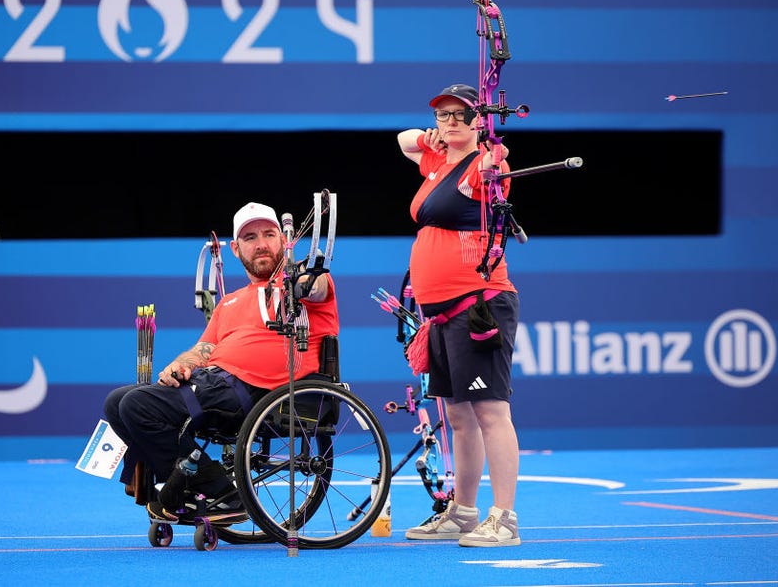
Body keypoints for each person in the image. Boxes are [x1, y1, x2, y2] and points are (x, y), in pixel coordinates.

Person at [102, 201, 339, 522]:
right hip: (216, 383)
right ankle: (184, 487)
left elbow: (318, 286)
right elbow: (204, 349)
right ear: (236, 249)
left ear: (284, 241)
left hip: (264, 393)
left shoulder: (302, 286)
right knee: (117, 401)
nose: (261, 244)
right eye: (250, 238)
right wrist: (180, 365)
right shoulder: (229, 302)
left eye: (269, 234)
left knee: (137, 405)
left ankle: (220, 492)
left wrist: (297, 280)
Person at [396, 83, 522, 547]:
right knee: (458, 417)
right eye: (443, 115)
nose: (450, 121)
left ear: (479, 121)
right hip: (441, 316)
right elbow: (403, 140)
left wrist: (490, 148)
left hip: (479, 305)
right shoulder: (435, 163)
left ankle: (504, 517)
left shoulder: (484, 167)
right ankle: (464, 512)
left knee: (490, 411)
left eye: (461, 115)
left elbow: (492, 168)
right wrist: (432, 138)